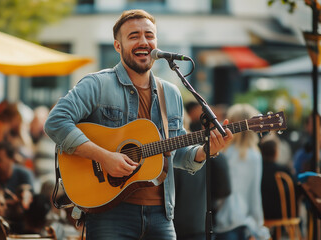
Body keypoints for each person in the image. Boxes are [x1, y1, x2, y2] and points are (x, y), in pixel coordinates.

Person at [44, 9, 233, 240]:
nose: (143, 41)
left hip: (162, 215)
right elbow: (55, 122)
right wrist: (104, 157)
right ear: (117, 46)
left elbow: (179, 154)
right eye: (133, 36)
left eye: (149, 35)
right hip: (110, 214)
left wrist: (206, 151)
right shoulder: (97, 84)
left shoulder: (171, 93)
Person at [173, 102, 231, 240]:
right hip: (199, 226)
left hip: (171, 227)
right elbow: (224, 190)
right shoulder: (210, 153)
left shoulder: (165, 156)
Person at [213, 103, 270, 240]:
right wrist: (259, 226)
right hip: (244, 221)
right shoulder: (254, 155)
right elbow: (254, 194)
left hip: (220, 220)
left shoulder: (222, 153)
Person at [259, 134, 298, 220]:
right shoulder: (283, 171)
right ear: (276, 152)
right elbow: (296, 188)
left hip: (262, 214)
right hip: (283, 215)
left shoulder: (258, 170)